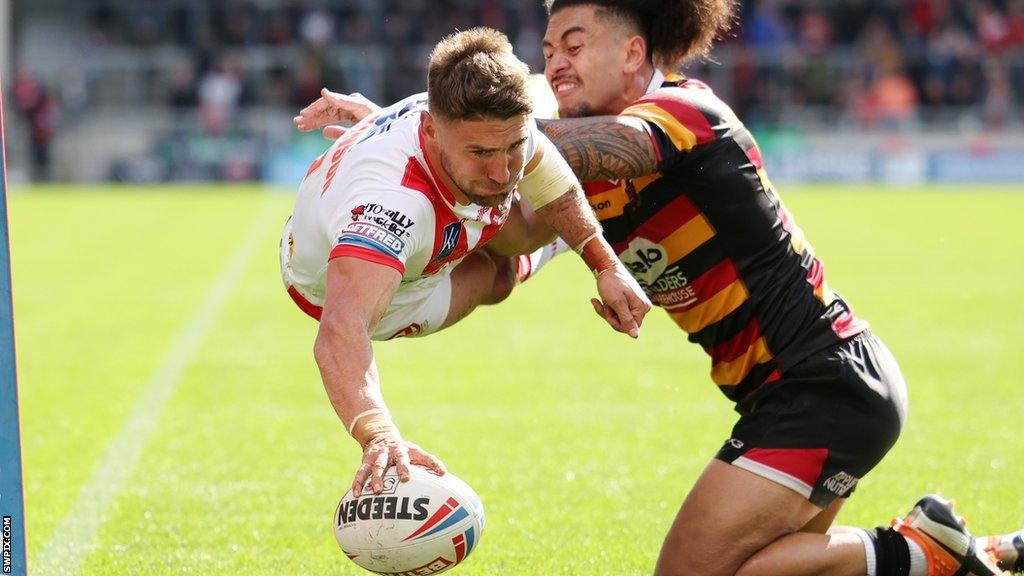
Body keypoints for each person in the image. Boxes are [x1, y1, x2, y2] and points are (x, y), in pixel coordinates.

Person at [294, 3, 1023, 576]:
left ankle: (926, 551)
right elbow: (499, 231)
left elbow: (524, 142)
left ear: (634, 52)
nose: (556, 63)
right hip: (796, 394)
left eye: (574, 45)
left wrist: (414, 122)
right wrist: (399, 144)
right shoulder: (577, 166)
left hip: (820, 386)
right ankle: (958, 549)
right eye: (548, 51)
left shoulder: (683, 115)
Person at [281, 27, 650, 499]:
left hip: (397, 200)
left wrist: (605, 265)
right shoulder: (392, 207)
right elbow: (340, 330)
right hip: (345, 288)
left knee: (518, 210)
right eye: (479, 153)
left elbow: (551, 180)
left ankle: (540, 235)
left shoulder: (497, 120)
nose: (500, 171)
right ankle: (529, 250)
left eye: (512, 147)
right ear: (432, 129)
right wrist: (378, 433)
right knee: (495, 277)